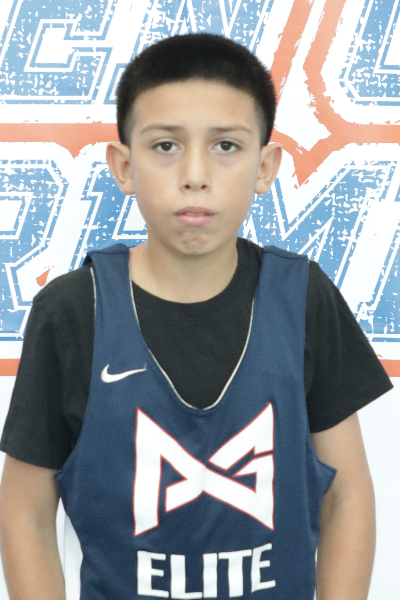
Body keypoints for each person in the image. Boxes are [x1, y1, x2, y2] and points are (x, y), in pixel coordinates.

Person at [0, 33, 393, 600]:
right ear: (123, 166)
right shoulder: (73, 311)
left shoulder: (302, 298)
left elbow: (347, 495)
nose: (195, 173)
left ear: (265, 166)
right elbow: (26, 512)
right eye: (165, 146)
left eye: (226, 146)